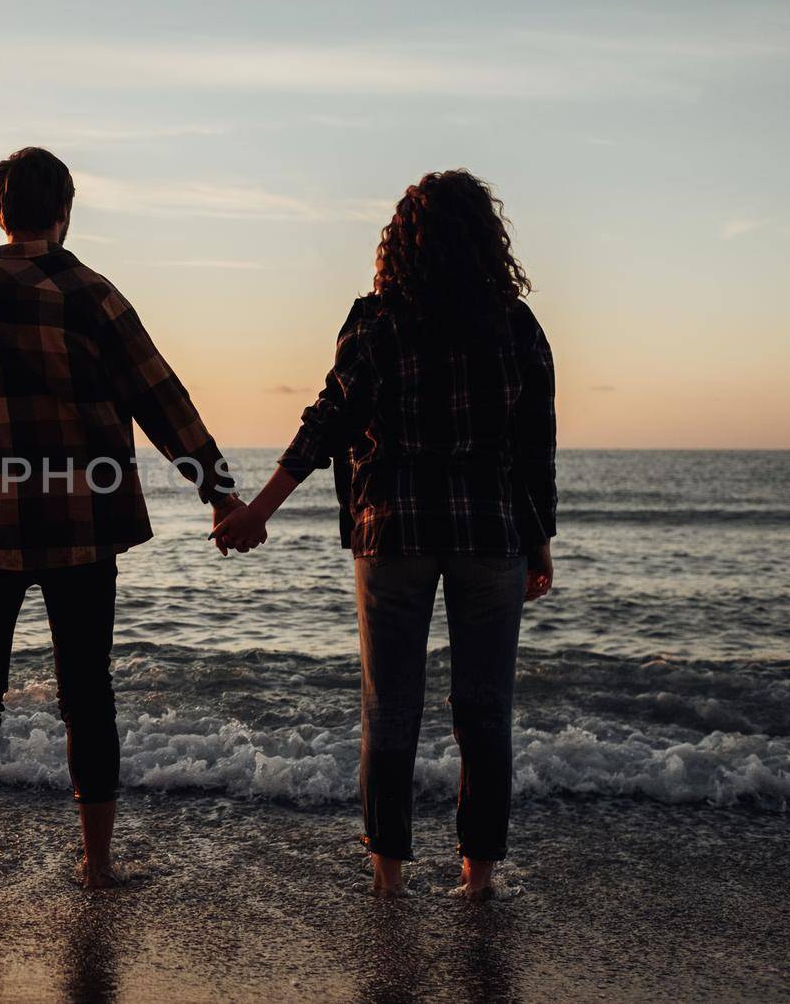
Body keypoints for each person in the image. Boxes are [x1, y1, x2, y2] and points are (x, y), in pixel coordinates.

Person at [212, 169, 557, 900]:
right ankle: (478, 876)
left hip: (391, 532)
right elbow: (535, 449)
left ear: (400, 241)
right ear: (488, 241)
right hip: (490, 533)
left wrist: (259, 510)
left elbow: (326, 420)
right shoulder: (517, 326)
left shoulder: (376, 321)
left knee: (390, 706)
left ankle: (389, 875)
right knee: (485, 709)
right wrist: (540, 541)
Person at [0, 146, 251, 888]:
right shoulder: (90, 292)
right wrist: (219, 491)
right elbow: (161, 397)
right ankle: (96, 864)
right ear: (64, 210)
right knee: (87, 689)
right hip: (79, 522)